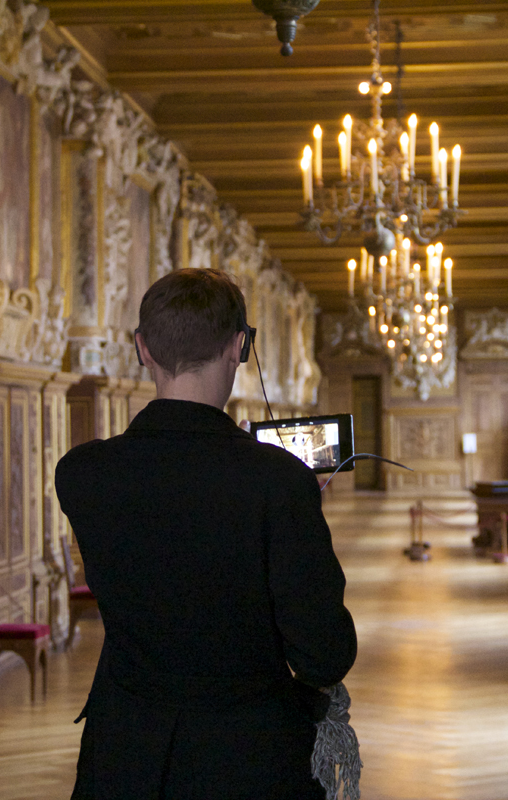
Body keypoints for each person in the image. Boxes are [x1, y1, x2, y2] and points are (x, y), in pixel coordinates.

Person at [55, 268, 357, 800]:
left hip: (126, 756)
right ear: (240, 347)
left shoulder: (81, 473)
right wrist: (292, 504)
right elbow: (323, 655)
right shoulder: (278, 481)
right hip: (251, 761)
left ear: (142, 348)